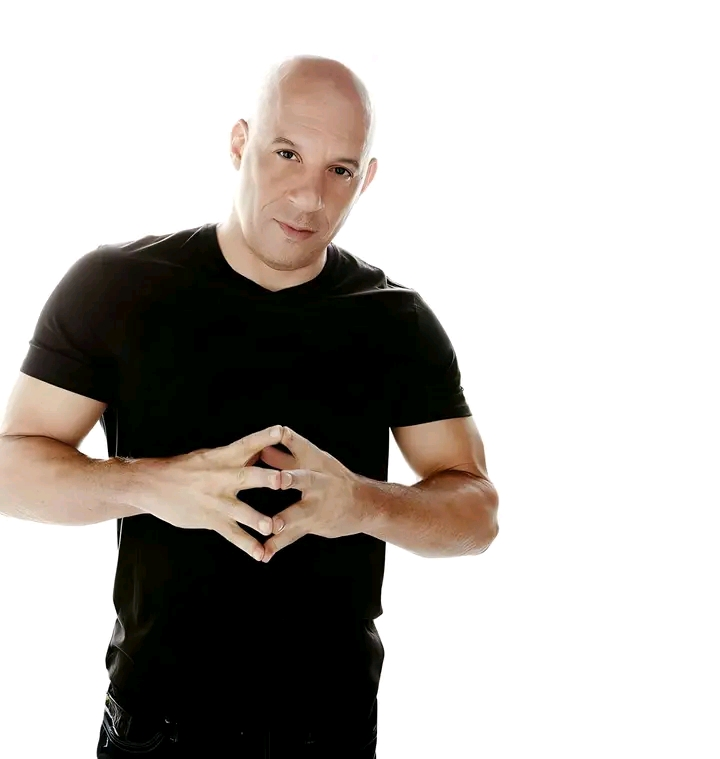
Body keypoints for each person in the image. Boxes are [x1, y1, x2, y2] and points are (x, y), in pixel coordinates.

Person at [0, 54, 499, 757]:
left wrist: (360, 503)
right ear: (240, 143)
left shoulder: (397, 321)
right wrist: (154, 484)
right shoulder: (116, 287)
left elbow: (477, 513)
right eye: (287, 154)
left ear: (366, 179)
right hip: (156, 726)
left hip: (331, 730)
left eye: (339, 170)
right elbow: (10, 469)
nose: (309, 197)